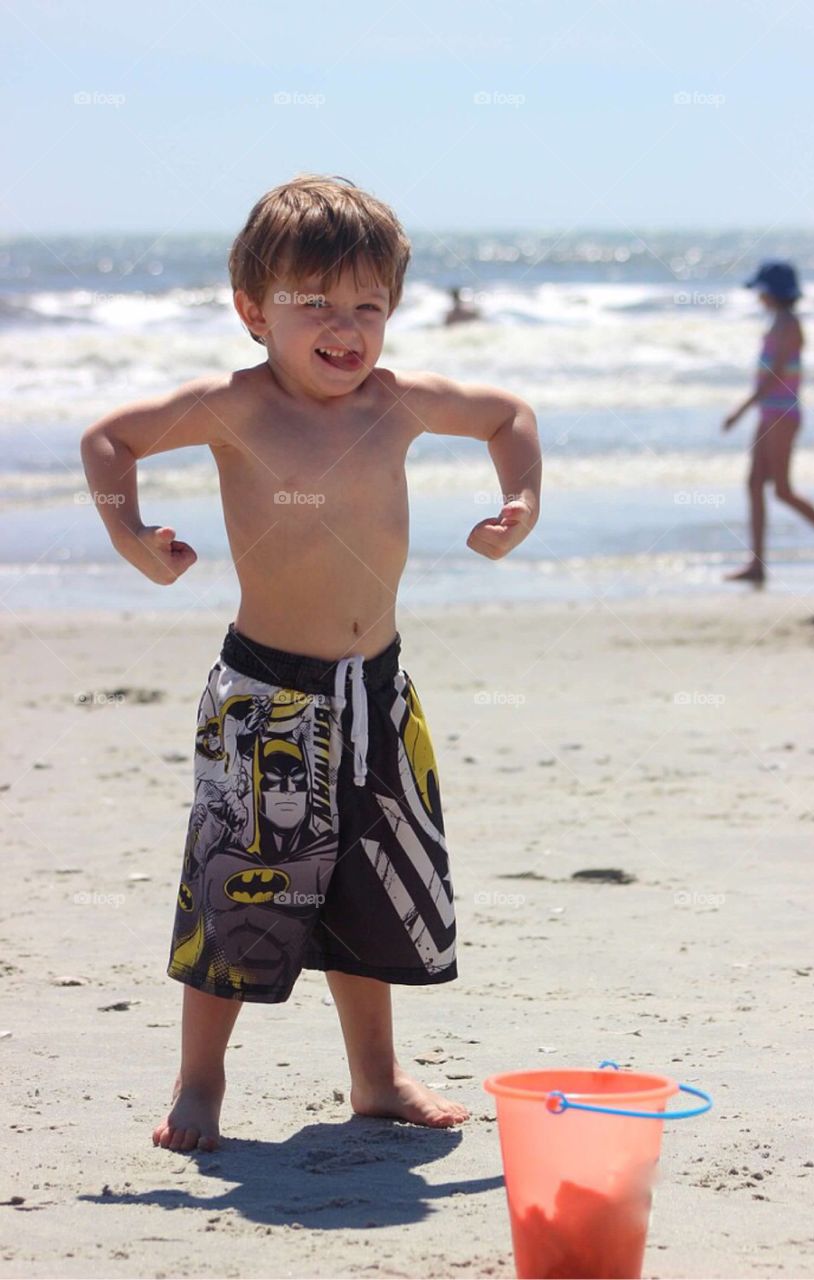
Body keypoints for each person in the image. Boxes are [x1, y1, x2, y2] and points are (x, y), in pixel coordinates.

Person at [79, 175, 541, 1152]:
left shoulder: (398, 400)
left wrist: (520, 505)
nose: (347, 326)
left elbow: (508, 415)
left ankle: (376, 1078)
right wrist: (129, 535)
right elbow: (108, 437)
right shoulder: (232, 406)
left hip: (378, 692)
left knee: (369, 889)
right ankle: (199, 1081)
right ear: (255, 311)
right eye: (316, 303)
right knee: (237, 887)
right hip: (267, 699)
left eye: (369, 305)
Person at [722, 260, 814, 584]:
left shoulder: (789, 324)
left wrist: (741, 408)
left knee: (782, 489)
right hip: (769, 412)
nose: (758, 297)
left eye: (762, 291)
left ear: (773, 292)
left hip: (782, 413)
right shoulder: (777, 321)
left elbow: (776, 374)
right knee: (754, 485)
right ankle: (757, 563)